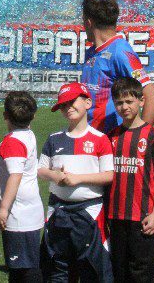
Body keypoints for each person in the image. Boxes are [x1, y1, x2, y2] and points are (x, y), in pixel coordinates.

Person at [38, 82, 115, 282]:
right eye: (63, 105)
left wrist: (77, 179)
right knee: (58, 270)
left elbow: (108, 175)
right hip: (58, 212)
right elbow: (40, 169)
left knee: (93, 271)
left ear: (88, 102)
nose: (68, 107)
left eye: (72, 101)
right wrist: (55, 176)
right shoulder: (54, 139)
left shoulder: (100, 139)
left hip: (89, 213)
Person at [107, 76, 154, 282]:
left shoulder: (152, 134)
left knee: (141, 272)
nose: (124, 107)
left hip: (143, 217)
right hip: (116, 217)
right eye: (119, 102)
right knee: (119, 271)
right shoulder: (112, 136)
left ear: (141, 101)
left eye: (129, 101)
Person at [79, 0, 154, 134]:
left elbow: (153, 97)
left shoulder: (119, 51)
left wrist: (139, 138)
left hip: (111, 139)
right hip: (90, 137)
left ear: (88, 22)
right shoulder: (92, 52)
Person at [0, 91, 44, 283]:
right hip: (28, 210)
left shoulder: (13, 142)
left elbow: (15, 175)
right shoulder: (28, 135)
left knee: (25, 269)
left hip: (19, 213)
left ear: (5, 115)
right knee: (20, 267)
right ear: (33, 116)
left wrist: (4, 208)